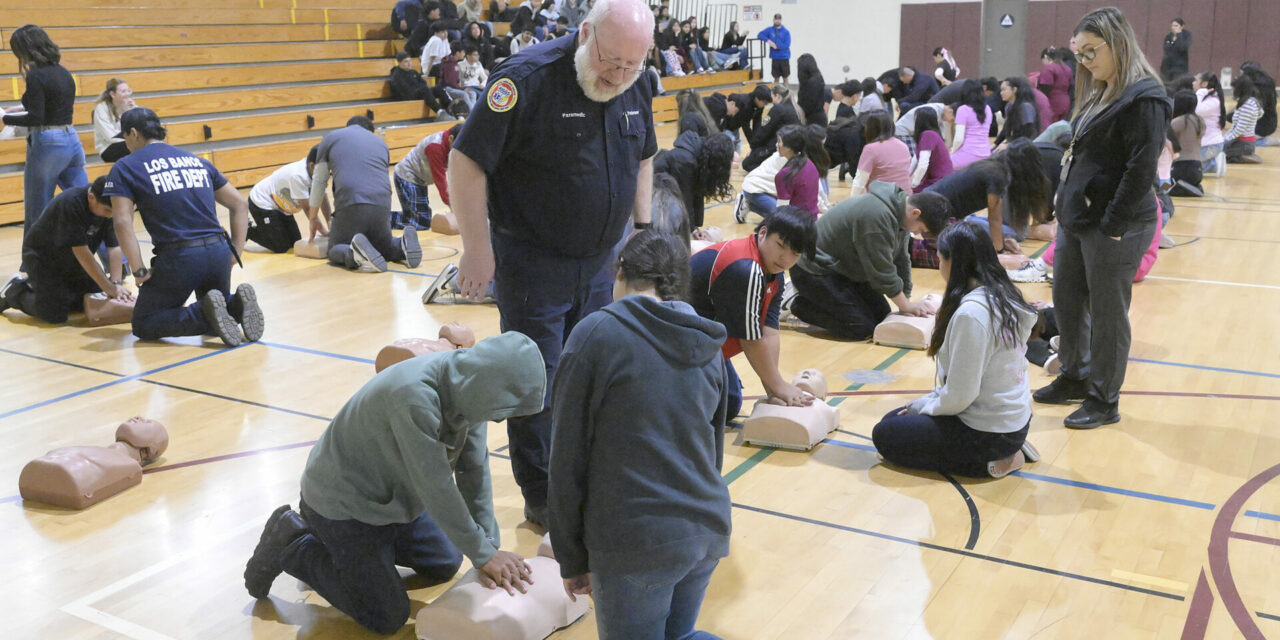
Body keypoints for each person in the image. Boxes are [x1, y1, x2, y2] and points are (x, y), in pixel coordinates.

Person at [446, 0, 657, 527]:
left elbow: (646, 154)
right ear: (586, 33)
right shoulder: (525, 79)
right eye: (611, 61)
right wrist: (477, 248)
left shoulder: (636, 80)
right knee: (535, 382)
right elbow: (465, 160)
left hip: (601, 261)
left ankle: (581, 474)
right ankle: (543, 494)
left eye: (632, 66)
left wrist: (644, 231)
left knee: (586, 373)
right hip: (533, 262)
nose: (618, 76)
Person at [242, 332, 548, 635]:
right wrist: (484, 555)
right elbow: (437, 485)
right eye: (502, 410)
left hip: (393, 501)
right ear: (488, 385)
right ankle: (294, 539)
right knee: (387, 615)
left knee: (446, 561)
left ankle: (360, 556)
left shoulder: (471, 388)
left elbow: (473, 471)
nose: (498, 420)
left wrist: (489, 549)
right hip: (343, 506)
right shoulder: (414, 396)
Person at [548, 230, 731, 640]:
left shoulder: (597, 333)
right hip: (706, 530)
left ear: (621, 272)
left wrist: (571, 557)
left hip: (636, 541)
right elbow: (712, 449)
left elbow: (566, 458)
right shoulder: (706, 340)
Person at [1033, 7, 1169, 430]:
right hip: (1079, 219)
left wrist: (1112, 225)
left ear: (1119, 42)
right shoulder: (1101, 90)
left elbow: (1141, 168)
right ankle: (1075, 375)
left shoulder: (1145, 97)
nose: (1086, 62)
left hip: (1116, 225)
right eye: (1080, 54)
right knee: (1069, 301)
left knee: (1109, 315)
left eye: (1092, 51)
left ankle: (1104, 398)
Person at [871, 221, 1038, 478]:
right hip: (1011, 421)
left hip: (989, 432)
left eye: (940, 259)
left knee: (885, 435)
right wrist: (921, 404)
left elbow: (961, 396)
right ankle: (1007, 446)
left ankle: (996, 458)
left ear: (953, 262)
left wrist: (922, 407)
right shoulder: (1003, 293)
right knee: (895, 418)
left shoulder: (973, 314)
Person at [104, 107, 263, 347]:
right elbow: (240, 204)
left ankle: (205, 314)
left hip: (181, 257)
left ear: (134, 133)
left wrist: (138, 271)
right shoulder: (196, 160)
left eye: (125, 137)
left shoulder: (125, 167)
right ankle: (235, 306)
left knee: (145, 322)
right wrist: (236, 252)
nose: (126, 144)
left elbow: (122, 222)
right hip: (219, 251)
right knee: (215, 308)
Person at [690, 206, 816, 419]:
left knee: (728, 403)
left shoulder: (773, 271)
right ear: (763, 232)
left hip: (705, 339)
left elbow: (770, 331)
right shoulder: (746, 269)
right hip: (676, 345)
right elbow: (750, 339)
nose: (785, 259)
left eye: (794, 254)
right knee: (714, 409)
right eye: (780, 246)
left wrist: (773, 390)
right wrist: (779, 386)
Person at [788, 186, 949, 341]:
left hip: (844, 269)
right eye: (920, 228)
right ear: (915, 213)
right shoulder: (877, 216)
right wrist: (906, 306)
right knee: (861, 328)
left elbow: (902, 259)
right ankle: (798, 304)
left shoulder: (900, 213)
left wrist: (905, 301)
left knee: (881, 317)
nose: (916, 233)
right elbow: (881, 271)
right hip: (814, 270)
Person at [4, 25, 88, 269]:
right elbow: (51, 107)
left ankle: (30, 269)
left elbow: (37, 118)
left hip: (48, 143)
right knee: (87, 204)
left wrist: (4, 118)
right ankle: (119, 262)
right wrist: (16, 109)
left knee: (36, 211)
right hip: (71, 139)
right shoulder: (62, 72)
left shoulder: (35, 75)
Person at [0, 176, 131, 323]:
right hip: (43, 261)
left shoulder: (109, 209)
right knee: (54, 314)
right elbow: (81, 253)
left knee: (91, 301)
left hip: (72, 262)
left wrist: (116, 285)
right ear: (91, 197)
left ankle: (57, 294)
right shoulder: (71, 204)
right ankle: (14, 291)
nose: (110, 215)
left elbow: (113, 248)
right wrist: (108, 287)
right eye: (107, 210)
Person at [310, 116, 422, 272]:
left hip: (351, 201)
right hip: (382, 203)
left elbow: (319, 181)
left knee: (335, 249)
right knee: (383, 248)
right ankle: (400, 246)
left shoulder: (331, 138)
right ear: (370, 131)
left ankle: (353, 252)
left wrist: (313, 217)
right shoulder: (381, 144)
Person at [925, 138, 1052, 252]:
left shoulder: (994, 165)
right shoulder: (996, 175)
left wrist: (1000, 243)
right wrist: (1000, 250)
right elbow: (994, 218)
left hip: (931, 207)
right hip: (934, 215)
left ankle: (971, 222)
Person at [246, 146, 330, 253]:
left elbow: (323, 199)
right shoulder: (299, 176)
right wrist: (324, 231)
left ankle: (270, 228)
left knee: (295, 242)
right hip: (262, 202)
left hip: (283, 208)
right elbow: (309, 210)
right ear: (312, 166)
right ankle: (248, 230)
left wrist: (329, 223)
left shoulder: (318, 173)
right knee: (281, 247)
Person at [653, 127, 734, 229]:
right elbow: (685, 199)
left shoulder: (699, 155)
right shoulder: (685, 160)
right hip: (652, 196)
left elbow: (697, 193)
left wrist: (696, 227)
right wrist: (691, 232)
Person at [393, 124, 461, 233]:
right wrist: (451, 204)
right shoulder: (435, 146)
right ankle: (381, 219)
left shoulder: (453, 144)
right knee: (420, 223)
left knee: (423, 219)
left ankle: (404, 215)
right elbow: (440, 180)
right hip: (407, 176)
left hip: (420, 180)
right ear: (451, 138)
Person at [742, 84, 800, 173]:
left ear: (776, 95)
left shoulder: (778, 108)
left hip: (778, 148)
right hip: (793, 149)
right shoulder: (794, 108)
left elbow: (764, 131)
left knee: (747, 163)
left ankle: (774, 172)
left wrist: (753, 148)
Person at [852, 111, 912, 195]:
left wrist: (851, 204)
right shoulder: (903, 146)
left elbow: (859, 182)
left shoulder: (871, 149)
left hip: (883, 200)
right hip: (905, 198)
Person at [773, 124, 820, 218]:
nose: (777, 145)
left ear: (790, 146)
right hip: (812, 220)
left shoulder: (784, 174)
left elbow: (782, 211)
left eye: (779, 141)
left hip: (797, 224)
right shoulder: (809, 163)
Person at [950, 79, 993, 169]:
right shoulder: (988, 109)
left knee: (942, 167)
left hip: (967, 154)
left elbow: (959, 139)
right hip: (986, 154)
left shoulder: (963, 109)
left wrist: (952, 151)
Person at [389, 51, 449, 115]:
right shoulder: (396, 76)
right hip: (408, 96)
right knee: (424, 90)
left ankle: (450, 107)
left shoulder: (413, 72)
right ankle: (439, 112)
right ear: (399, 62)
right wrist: (420, 89)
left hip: (418, 92)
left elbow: (423, 83)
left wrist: (421, 89)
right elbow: (405, 91)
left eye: (410, 61)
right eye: (406, 61)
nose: (409, 63)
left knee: (438, 88)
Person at [1168, 91, 1204, 196]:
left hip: (1180, 168)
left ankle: (1180, 187)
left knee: (1162, 187)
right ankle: (1192, 187)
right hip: (1198, 169)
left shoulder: (1179, 121)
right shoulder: (1200, 121)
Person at [92, 78, 136, 162]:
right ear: (112, 94)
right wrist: (132, 141)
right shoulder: (101, 108)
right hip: (108, 148)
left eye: (128, 91)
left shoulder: (128, 106)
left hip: (127, 143)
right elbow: (110, 136)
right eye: (123, 91)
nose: (127, 94)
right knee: (138, 146)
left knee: (147, 143)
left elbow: (140, 126)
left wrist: (134, 110)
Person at [1223, 74, 1263, 164]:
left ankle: (1241, 156)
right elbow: (1261, 113)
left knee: (1219, 154)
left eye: (1233, 88)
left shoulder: (1247, 104)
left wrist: (1225, 140)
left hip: (1243, 143)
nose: (1232, 90)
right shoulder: (1252, 101)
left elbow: (1239, 129)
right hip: (1245, 142)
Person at [912, 108, 953, 192]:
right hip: (941, 180)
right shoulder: (931, 134)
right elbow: (915, 160)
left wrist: (914, 183)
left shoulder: (928, 135)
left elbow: (923, 165)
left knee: (909, 195)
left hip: (939, 182)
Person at [1194, 71, 1227, 175]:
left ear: (1204, 84)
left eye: (1196, 80)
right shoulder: (1206, 98)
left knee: (1192, 171)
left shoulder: (1214, 100)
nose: (1193, 83)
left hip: (1211, 145)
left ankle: (1215, 165)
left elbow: (1196, 110)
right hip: (1203, 144)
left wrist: (1200, 92)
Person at [994, 76, 1041, 147]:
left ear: (1014, 90)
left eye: (1004, 90)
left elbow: (1028, 132)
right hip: (1016, 145)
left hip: (1026, 147)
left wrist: (1009, 145)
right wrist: (995, 144)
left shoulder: (1025, 107)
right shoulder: (1009, 106)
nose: (1001, 93)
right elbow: (1005, 129)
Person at [1240, 61, 1277, 140]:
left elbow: (1255, 111)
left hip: (1263, 125)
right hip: (1269, 122)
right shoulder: (1265, 82)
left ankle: (1265, 141)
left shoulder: (1258, 88)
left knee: (1238, 142)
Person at [1036, 47, 1073, 124]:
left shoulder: (1050, 69)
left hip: (1053, 102)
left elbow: (1045, 86)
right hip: (1066, 101)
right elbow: (1071, 85)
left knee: (1050, 126)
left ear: (1046, 57)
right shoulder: (1067, 68)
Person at [825, 114, 863, 182]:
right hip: (827, 152)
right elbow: (854, 165)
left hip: (831, 145)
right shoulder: (855, 135)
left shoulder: (855, 129)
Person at [757, 13, 791, 85]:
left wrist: (777, 46)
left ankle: (787, 94)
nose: (777, 21)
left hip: (784, 57)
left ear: (781, 20)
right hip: (775, 58)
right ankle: (776, 94)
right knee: (776, 77)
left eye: (779, 19)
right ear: (773, 20)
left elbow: (787, 44)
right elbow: (760, 35)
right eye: (776, 19)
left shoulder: (786, 32)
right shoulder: (769, 30)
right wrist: (769, 41)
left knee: (785, 77)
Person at [796, 53, 827, 126]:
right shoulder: (817, 77)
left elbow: (808, 104)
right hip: (816, 117)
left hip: (813, 119)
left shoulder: (813, 82)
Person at [1160, 18, 1191, 83]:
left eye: (1176, 25)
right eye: (1172, 26)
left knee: (1176, 85)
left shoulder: (1186, 35)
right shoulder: (1168, 36)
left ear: (1182, 26)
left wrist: (1179, 35)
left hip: (1179, 68)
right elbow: (1166, 49)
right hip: (1167, 67)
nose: (1173, 28)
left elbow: (1182, 48)